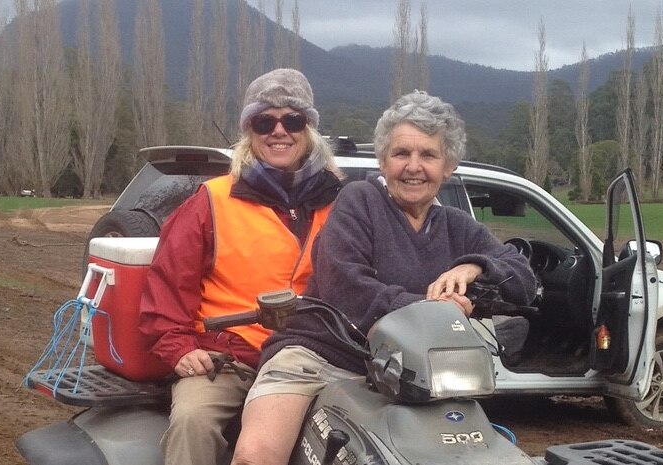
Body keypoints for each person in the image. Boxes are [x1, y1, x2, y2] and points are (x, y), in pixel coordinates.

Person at [230, 90, 537, 465]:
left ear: (449, 166)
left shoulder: (458, 227)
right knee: (256, 456)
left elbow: (522, 276)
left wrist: (474, 267)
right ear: (382, 160)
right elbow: (347, 287)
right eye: (401, 154)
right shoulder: (358, 201)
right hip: (318, 356)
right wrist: (433, 310)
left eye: (428, 155)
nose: (413, 166)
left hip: (413, 370)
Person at [138, 68, 343, 465]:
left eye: (293, 119)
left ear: (309, 129)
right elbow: (167, 282)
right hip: (228, 360)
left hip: (314, 357)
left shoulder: (342, 201)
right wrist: (178, 348)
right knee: (193, 421)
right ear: (250, 130)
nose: (278, 131)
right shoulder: (211, 200)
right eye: (265, 121)